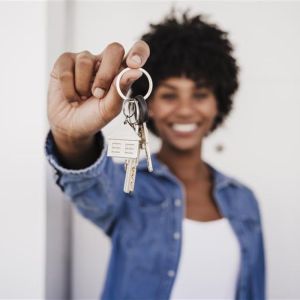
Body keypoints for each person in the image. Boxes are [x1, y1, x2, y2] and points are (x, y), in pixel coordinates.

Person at [45, 11, 265, 300]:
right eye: (169, 95)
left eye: (199, 95)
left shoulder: (244, 200)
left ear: (218, 102)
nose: (185, 110)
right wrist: (72, 136)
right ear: (146, 102)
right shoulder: (129, 187)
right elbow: (89, 183)